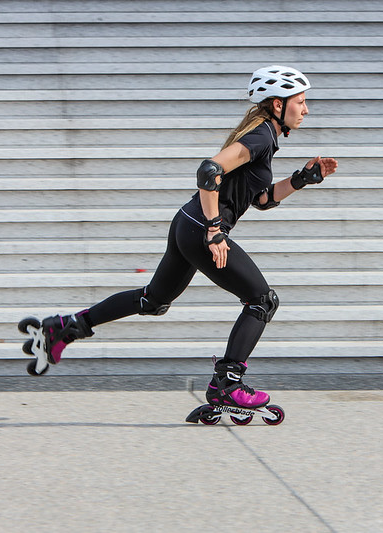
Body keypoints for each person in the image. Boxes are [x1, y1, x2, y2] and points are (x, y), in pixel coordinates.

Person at [26, 65, 338, 410]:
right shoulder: (261, 136)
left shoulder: (266, 138)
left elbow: (261, 199)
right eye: (301, 101)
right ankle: (227, 383)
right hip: (200, 229)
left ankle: (65, 327)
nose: (306, 109)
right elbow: (209, 171)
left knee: (152, 300)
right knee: (262, 300)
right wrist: (215, 230)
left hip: (187, 224)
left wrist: (302, 179)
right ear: (278, 105)